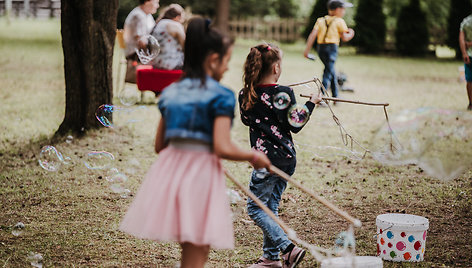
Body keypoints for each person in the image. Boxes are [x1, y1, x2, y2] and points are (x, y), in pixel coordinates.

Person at [119, 17, 271, 268]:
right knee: (197, 247)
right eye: (226, 62)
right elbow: (222, 146)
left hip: (170, 175)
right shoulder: (221, 95)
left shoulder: (171, 92)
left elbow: (160, 146)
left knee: (191, 247)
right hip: (199, 175)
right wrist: (254, 157)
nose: (226, 69)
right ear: (213, 60)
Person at [239, 43, 322, 268]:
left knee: (256, 208)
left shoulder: (246, 94)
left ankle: (288, 249)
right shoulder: (283, 92)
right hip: (286, 159)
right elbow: (295, 124)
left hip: (265, 161)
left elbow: (246, 120)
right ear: (276, 68)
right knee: (269, 207)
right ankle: (271, 259)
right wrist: (311, 103)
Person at [303, 0, 354, 99]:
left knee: (331, 71)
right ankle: (321, 98)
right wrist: (351, 33)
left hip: (321, 49)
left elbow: (312, 35)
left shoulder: (320, 20)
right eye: (343, 9)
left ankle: (335, 97)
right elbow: (345, 38)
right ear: (338, 10)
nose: (344, 11)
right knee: (327, 72)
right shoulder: (339, 21)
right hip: (332, 49)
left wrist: (306, 51)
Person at [123, 0, 160, 83]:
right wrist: (151, 57)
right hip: (136, 54)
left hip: (141, 52)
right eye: (156, 2)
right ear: (147, 2)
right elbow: (141, 41)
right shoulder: (138, 15)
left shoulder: (147, 15)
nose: (157, 6)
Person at [151, 4, 186, 70]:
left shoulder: (159, 24)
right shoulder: (175, 25)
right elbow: (185, 45)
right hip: (172, 64)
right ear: (178, 17)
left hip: (156, 64)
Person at [459, 13, 472, 110]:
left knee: (470, 80)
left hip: (469, 55)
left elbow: (461, 39)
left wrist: (464, 53)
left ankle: (471, 103)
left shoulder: (466, 22)